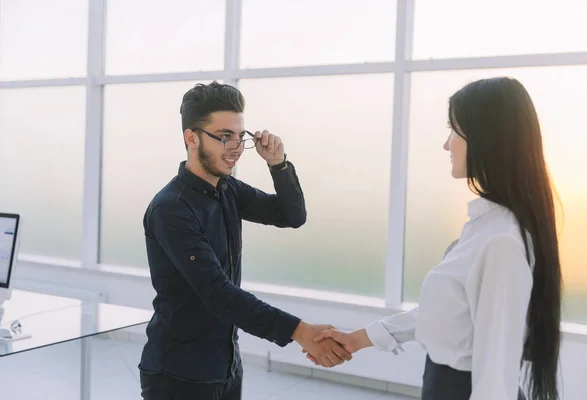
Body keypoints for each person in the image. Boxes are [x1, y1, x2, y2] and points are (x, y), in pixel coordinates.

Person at [308, 77, 562, 400]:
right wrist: (358, 338)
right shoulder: (483, 227)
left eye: (454, 131)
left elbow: (495, 379)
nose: (446, 144)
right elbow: (444, 312)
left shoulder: (501, 242)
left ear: (487, 140)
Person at [138, 81, 352, 400]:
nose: (236, 146)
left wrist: (277, 163)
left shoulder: (228, 190)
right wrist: (301, 331)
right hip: (178, 375)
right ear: (191, 138)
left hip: (225, 366)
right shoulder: (171, 208)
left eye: (240, 136)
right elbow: (218, 293)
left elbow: (291, 215)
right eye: (224, 136)